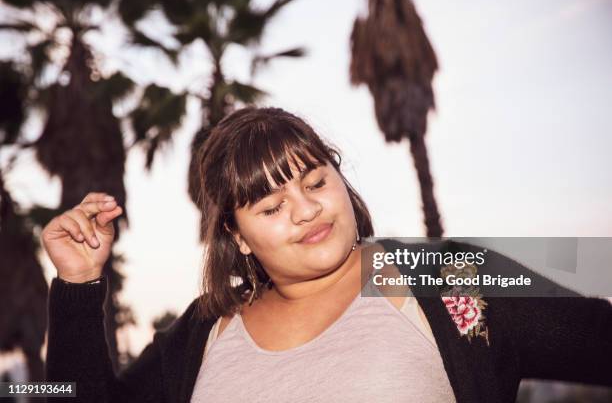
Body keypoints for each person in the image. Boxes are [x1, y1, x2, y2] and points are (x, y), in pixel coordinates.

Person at [42, 107, 612, 402]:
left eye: (315, 182)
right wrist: (77, 288)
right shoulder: (205, 330)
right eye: (270, 206)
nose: (307, 209)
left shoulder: (441, 273)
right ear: (236, 236)